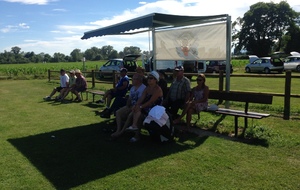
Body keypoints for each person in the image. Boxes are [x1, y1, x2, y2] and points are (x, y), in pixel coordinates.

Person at [126, 70, 163, 142]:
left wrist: (140, 107)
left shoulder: (158, 89)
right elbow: (141, 98)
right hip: (147, 108)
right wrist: (136, 105)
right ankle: (132, 129)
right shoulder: (147, 88)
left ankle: (134, 130)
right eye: (148, 78)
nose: (149, 79)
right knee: (135, 111)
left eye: (151, 78)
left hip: (156, 110)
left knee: (138, 112)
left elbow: (151, 101)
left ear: (156, 80)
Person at [110, 73, 146, 138]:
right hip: (131, 106)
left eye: (134, 79)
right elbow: (129, 98)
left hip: (138, 108)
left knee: (130, 116)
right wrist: (127, 105)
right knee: (118, 112)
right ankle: (118, 129)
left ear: (139, 80)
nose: (132, 80)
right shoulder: (132, 88)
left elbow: (141, 100)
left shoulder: (143, 88)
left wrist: (133, 107)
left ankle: (121, 132)